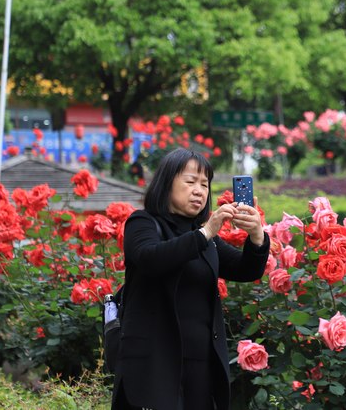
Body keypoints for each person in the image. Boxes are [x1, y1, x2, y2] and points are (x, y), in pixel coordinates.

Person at [111, 148, 269, 410]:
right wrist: (205, 232)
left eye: (204, 185)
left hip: (200, 366)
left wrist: (257, 236)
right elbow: (150, 258)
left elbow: (246, 270)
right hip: (154, 363)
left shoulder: (204, 236)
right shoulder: (143, 223)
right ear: (167, 183)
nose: (199, 191)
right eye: (190, 181)